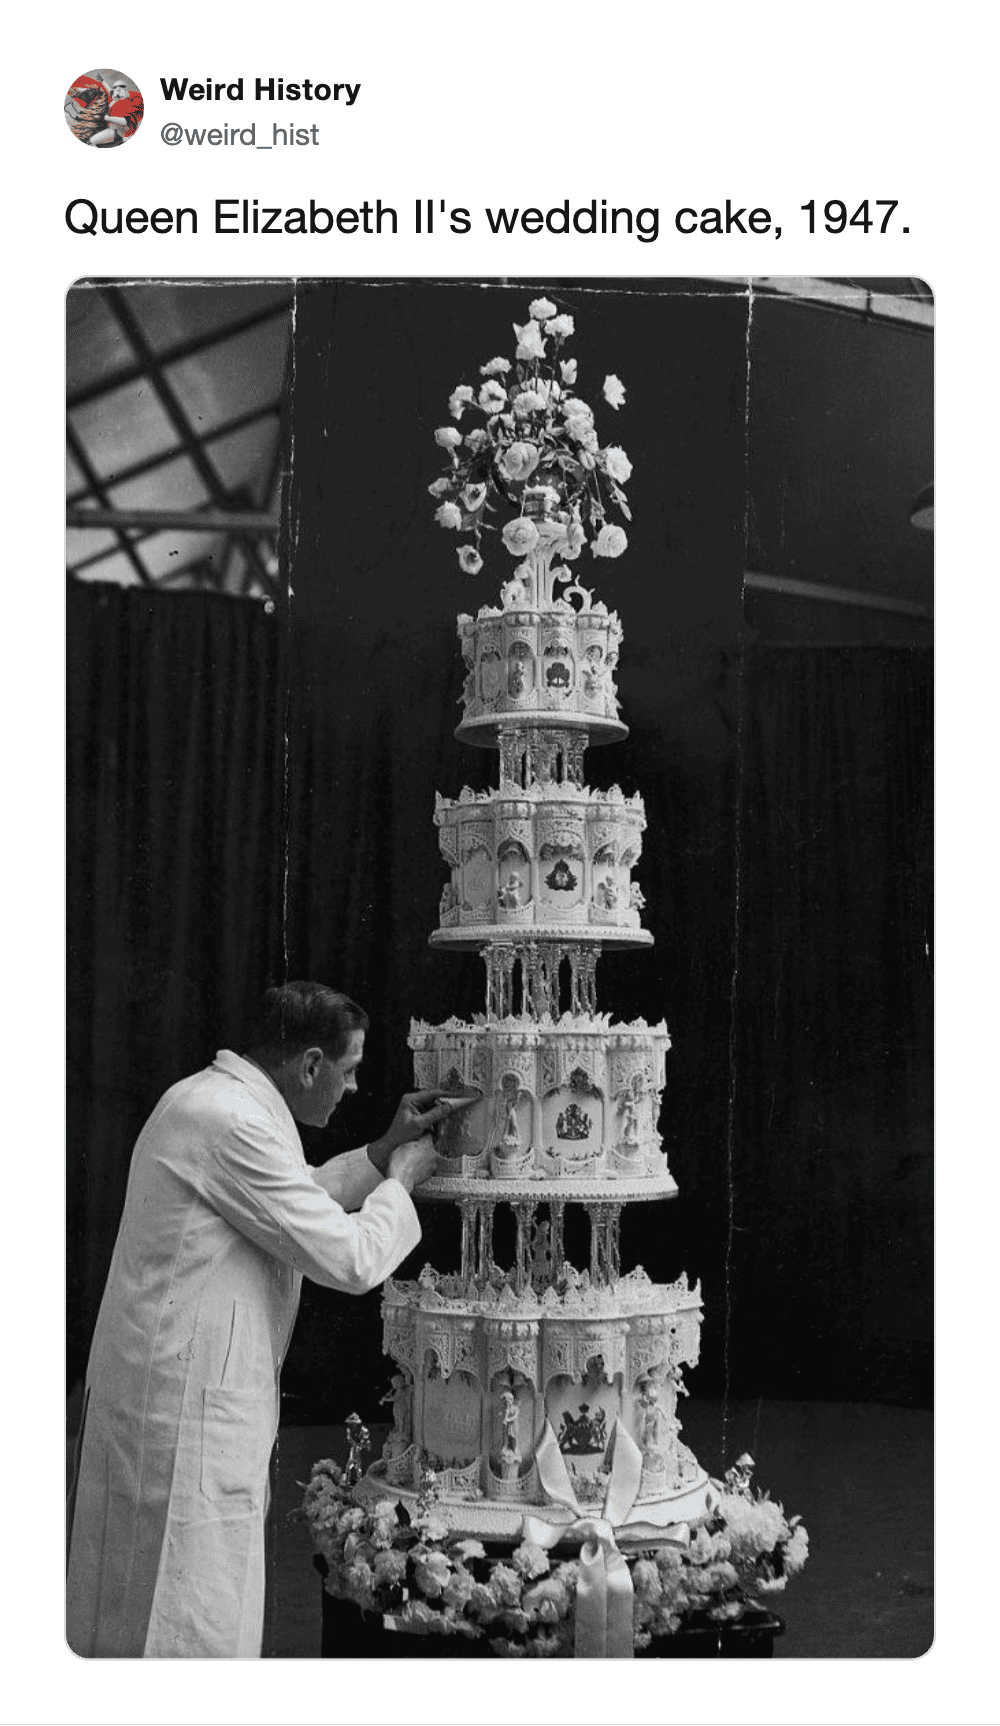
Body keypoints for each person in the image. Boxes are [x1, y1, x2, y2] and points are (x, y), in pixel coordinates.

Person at [66, 981, 465, 1658]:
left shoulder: (217, 1101)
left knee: (159, 1607)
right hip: (181, 1414)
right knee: (186, 1618)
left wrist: (381, 1151)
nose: (354, 1089)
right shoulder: (230, 1122)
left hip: (170, 1400)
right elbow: (351, 1259)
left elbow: (296, 1195)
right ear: (309, 1065)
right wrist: (400, 1179)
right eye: (348, 1071)